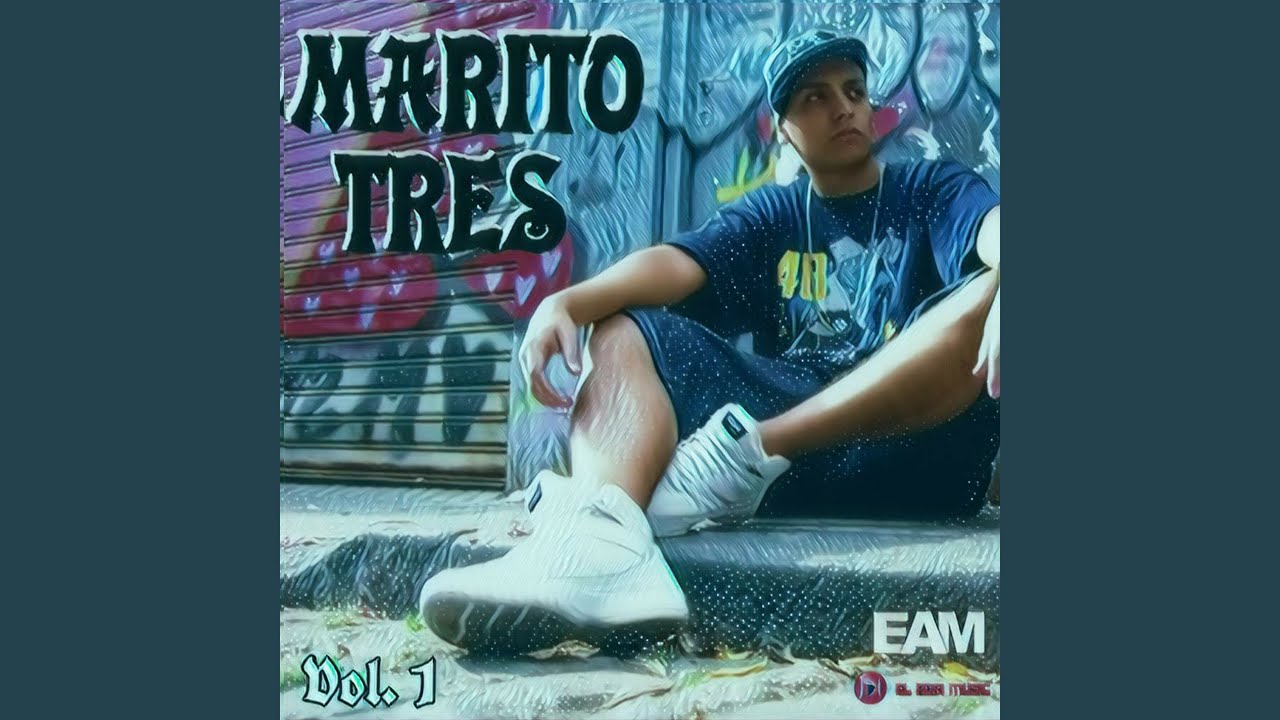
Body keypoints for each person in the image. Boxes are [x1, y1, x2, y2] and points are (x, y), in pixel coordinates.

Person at [418, 30, 1002, 654]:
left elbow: (994, 226)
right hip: (791, 469)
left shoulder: (929, 189)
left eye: (854, 91)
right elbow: (678, 263)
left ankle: (748, 449)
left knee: (994, 286)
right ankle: (599, 545)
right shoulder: (775, 214)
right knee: (625, 326)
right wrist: (567, 302)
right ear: (783, 129)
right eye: (816, 97)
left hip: (917, 452)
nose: (843, 108)